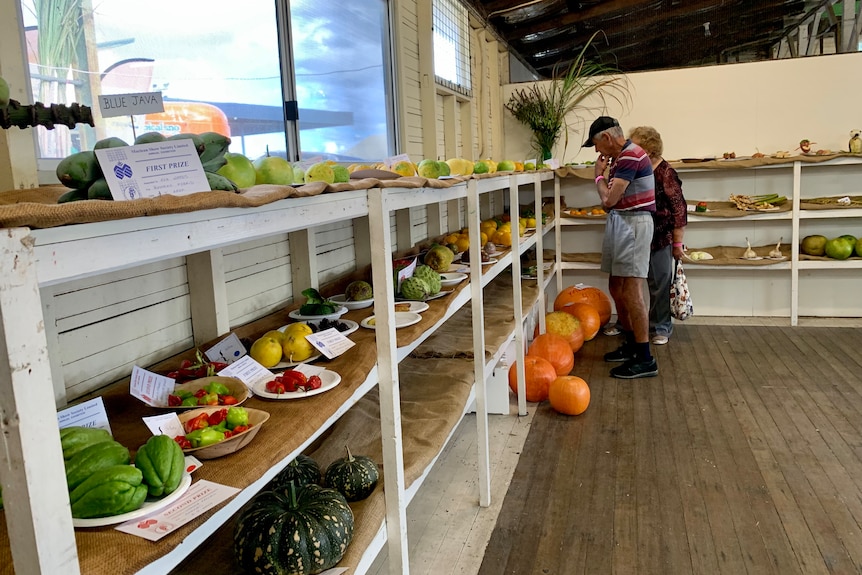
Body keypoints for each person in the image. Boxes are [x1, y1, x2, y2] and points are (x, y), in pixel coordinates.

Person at [584, 116, 658, 379]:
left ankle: (645, 357)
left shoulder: (629, 157)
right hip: (622, 222)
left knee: (632, 289)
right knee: (617, 285)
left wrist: (597, 177)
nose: (596, 152)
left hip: (634, 224)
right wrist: (605, 181)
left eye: (595, 144)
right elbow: (612, 202)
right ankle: (632, 344)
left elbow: (609, 200)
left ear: (606, 137)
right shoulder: (620, 159)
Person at [629, 126, 688, 346]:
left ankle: (661, 327)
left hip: (660, 237)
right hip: (637, 234)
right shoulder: (637, 169)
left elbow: (679, 210)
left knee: (660, 283)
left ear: (649, 149)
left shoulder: (665, 173)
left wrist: (678, 242)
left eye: (635, 145)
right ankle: (633, 325)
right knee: (632, 284)